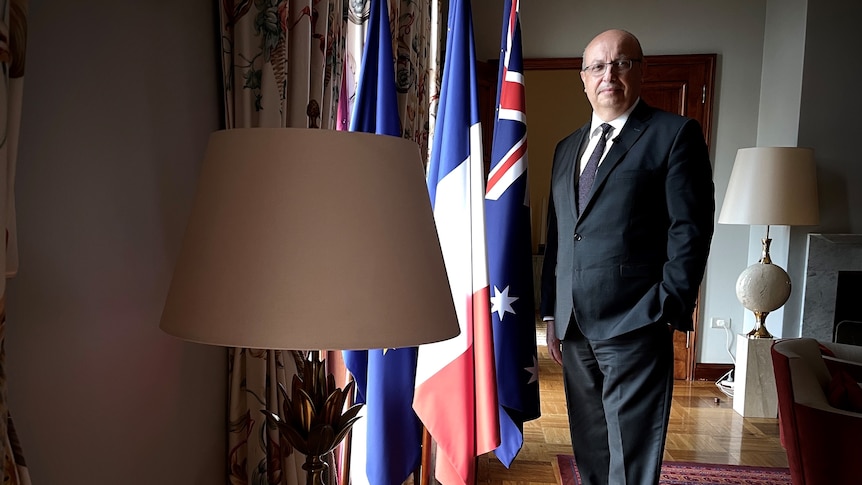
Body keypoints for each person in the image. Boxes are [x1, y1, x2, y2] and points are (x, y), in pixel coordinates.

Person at [540, 29, 714, 485]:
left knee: (632, 455)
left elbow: (690, 230)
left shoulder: (674, 135)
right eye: (598, 66)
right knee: (591, 446)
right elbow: (559, 235)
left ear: (641, 71)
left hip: (637, 320)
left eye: (622, 63)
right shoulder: (565, 149)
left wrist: (666, 307)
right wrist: (552, 316)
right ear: (583, 78)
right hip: (575, 326)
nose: (609, 75)